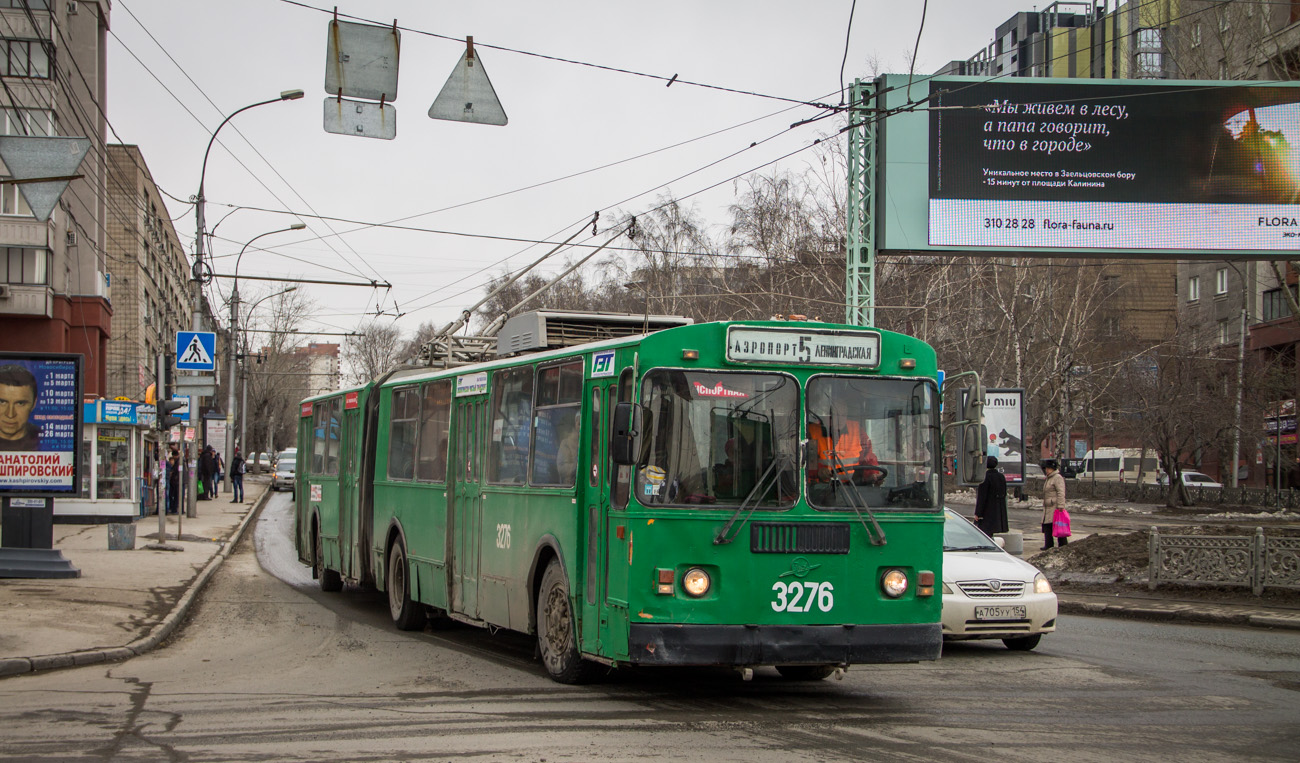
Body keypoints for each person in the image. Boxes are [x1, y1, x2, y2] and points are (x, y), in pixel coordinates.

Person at [808, 400, 883, 486]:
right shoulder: (813, 433)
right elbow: (808, 461)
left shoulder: (857, 430)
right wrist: (819, 471)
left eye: (843, 415)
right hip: (821, 487)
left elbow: (868, 456)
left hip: (851, 487)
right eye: (836, 415)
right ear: (828, 416)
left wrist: (872, 474)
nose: (840, 419)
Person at [0, 364, 40, 451]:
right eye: (2, 402)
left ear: (34, 404)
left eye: (20, 403)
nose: (10, 414)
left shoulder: (45, 440)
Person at [975, 456, 1008, 536]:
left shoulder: (985, 477)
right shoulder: (1001, 477)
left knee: (984, 533)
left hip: (987, 511)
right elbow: (1004, 493)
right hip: (998, 510)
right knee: (992, 532)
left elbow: (982, 497)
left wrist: (978, 513)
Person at [1041, 459, 1069, 550]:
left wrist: (1061, 505)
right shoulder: (1049, 478)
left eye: (1049, 468)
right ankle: (1048, 544)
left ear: (1053, 468)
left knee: (1057, 525)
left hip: (1055, 507)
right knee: (1047, 526)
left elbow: (1061, 492)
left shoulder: (1057, 477)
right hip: (1048, 506)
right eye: (1046, 468)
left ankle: (1063, 545)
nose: (1047, 470)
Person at [166, 449, 180, 515]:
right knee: (173, 495)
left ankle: (172, 508)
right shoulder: (178, 462)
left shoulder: (177, 462)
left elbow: (176, 472)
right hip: (176, 481)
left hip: (176, 481)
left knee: (174, 495)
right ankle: (173, 508)